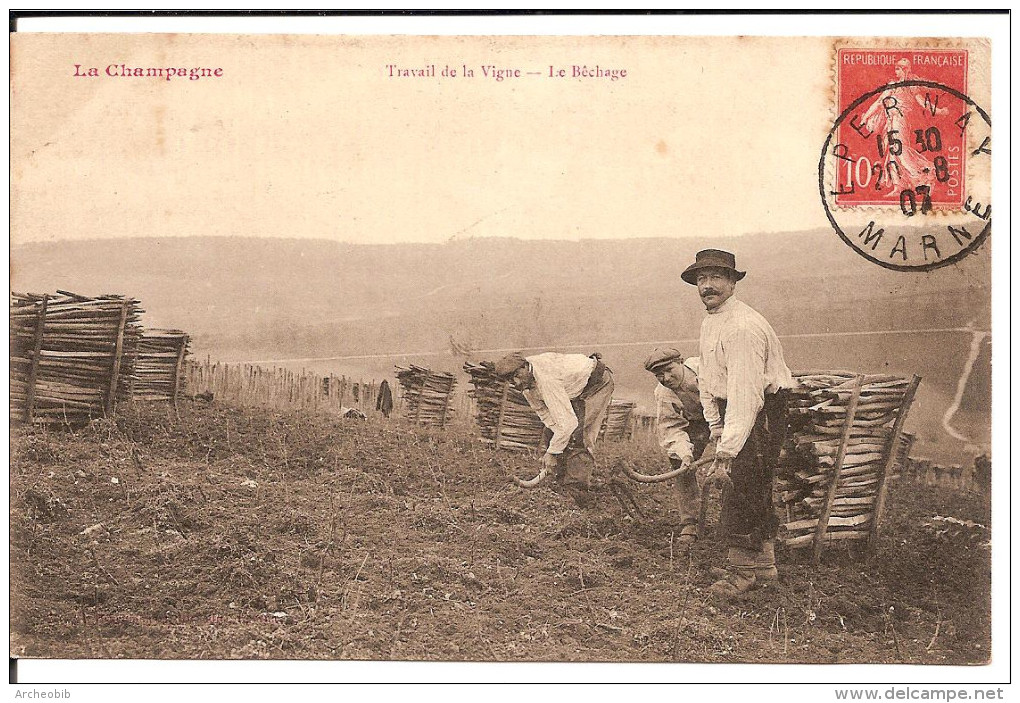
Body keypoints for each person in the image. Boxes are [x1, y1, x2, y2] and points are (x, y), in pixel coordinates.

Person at [681, 249, 796, 597]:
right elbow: (708, 379)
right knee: (753, 488)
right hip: (735, 410)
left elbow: (746, 395)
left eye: (716, 278)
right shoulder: (712, 320)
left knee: (740, 487)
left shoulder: (742, 327)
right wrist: (715, 428)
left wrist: (726, 450)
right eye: (701, 279)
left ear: (732, 282)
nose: (707, 286)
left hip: (758, 414)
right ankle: (763, 566)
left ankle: (741, 573)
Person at [494, 351, 614, 503]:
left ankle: (576, 492)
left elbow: (569, 424)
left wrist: (553, 451)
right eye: (511, 380)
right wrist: (555, 444)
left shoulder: (546, 379)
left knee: (579, 435)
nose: (516, 382)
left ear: (526, 366)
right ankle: (557, 476)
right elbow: (544, 414)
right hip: (573, 389)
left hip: (597, 384)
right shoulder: (526, 384)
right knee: (554, 432)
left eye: (517, 375)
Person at [643, 348, 711, 553]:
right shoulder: (664, 394)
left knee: (740, 461)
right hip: (697, 423)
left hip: (729, 415)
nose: (666, 378)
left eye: (670, 370)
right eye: (659, 375)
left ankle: (737, 519)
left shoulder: (707, 370)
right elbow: (671, 427)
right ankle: (690, 521)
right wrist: (685, 453)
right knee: (679, 464)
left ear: (681, 362)